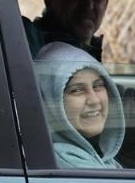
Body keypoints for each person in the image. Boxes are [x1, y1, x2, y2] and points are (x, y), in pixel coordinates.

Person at [36, 41, 125, 169]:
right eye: (77, 90)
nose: (94, 100)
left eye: (98, 86)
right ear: (51, 102)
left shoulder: (91, 153)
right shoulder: (67, 162)